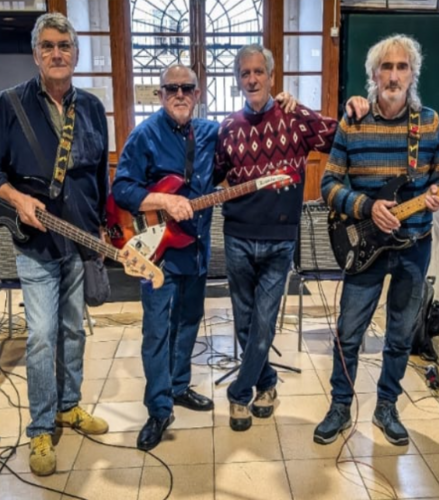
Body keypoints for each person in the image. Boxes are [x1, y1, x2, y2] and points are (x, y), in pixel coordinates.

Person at [112, 63, 298, 451]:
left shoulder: (214, 132)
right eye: (172, 88)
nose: (180, 94)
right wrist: (163, 200)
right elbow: (123, 189)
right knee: (156, 331)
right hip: (157, 252)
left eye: (187, 88)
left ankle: (179, 386)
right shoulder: (144, 135)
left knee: (188, 321)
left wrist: (279, 105)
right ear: (160, 94)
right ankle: (158, 409)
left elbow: (252, 126)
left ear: (198, 94)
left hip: (195, 249)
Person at [0, 13, 109, 476]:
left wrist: (101, 229)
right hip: (35, 243)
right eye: (47, 46)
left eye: (64, 45)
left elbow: (98, 176)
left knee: (73, 330)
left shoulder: (92, 108)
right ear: (35, 55)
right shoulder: (11, 104)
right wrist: (16, 197)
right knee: (43, 335)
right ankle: (42, 427)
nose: (56, 53)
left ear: (76, 54)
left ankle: (69, 406)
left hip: (79, 239)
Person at [213, 43, 369, 432]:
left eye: (258, 72)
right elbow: (214, 174)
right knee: (244, 321)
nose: (252, 79)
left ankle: (239, 393)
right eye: (245, 73)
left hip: (280, 239)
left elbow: (339, 137)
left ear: (271, 76)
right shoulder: (228, 127)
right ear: (238, 80)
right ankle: (266, 383)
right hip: (237, 236)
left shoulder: (294, 119)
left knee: (264, 321)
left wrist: (351, 106)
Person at [314, 34, 439, 447]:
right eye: (386, 67)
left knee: (401, 334)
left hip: (414, 245)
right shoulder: (352, 121)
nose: (393, 75)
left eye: (402, 67)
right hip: (365, 246)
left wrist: (438, 195)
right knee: (348, 333)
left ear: (413, 74)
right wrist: (366, 206)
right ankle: (340, 406)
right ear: (373, 74)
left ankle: (386, 405)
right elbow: (328, 184)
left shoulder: (429, 123)